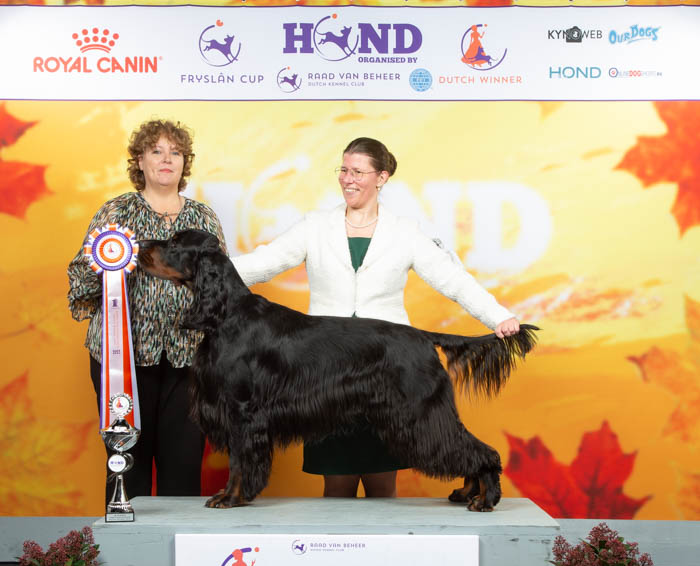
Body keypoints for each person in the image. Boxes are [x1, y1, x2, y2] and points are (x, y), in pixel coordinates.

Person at [233, 137, 520, 499]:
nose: (347, 179)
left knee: (383, 485)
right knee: (336, 485)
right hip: (326, 370)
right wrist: (206, 270)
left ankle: (475, 477)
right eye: (343, 170)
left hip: (387, 365)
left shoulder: (405, 231)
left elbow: (453, 280)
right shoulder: (315, 226)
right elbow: (263, 262)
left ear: (381, 177)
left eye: (357, 171)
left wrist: (498, 317)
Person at [67, 119, 227, 503]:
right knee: (127, 464)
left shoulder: (204, 217)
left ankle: (177, 544)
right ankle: (126, 541)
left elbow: (220, 288)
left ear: (185, 162)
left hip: (189, 359)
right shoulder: (116, 212)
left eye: (175, 152)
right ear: (140, 161)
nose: (166, 159)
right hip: (121, 360)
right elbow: (80, 283)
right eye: (156, 151)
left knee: (183, 468)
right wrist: (107, 269)